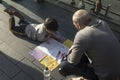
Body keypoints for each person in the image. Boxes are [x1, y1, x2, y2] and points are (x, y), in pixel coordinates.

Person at [59, 9, 120, 80]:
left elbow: (73, 61)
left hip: (104, 76)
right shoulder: (102, 23)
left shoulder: (82, 34)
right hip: (117, 68)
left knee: (64, 65)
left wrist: (68, 56)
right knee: (82, 54)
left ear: (78, 25)